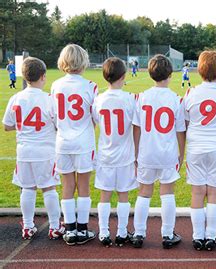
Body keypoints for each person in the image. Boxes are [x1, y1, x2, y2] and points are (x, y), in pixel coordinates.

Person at [2, 57, 64, 240]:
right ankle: (54, 226)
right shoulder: (49, 100)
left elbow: (7, 125)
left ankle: (28, 226)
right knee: (49, 189)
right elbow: (58, 124)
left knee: (27, 188)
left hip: (24, 151)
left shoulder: (16, 98)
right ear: (43, 76)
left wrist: (22, 126)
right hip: (45, 151)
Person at [131, 54, 186, 249]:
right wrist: (181, 153)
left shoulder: (142, 97)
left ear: (150, 73)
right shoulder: (176, 99)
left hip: (146, 152)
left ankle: (138, 233)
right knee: (167, 193)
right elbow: (180, 130)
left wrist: (136, 153)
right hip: (167, 153)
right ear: (170, 74)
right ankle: (167, 234)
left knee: (144, 193)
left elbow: (136, 128)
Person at [182, 51, 216, 251]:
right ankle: (211, 236)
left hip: (195, 147)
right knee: (214, 193)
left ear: (199, 70)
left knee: (197, 192)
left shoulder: (190, 93)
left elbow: (185, 123)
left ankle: (197, 236)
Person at [51, 44, 98, 246]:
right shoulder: (90, 85)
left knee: (68, 185)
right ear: (83, 61)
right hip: (84, 141)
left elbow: (53, 115)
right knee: (84, 185)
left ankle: (70, 229)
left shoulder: (55, 85)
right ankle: (82, 228)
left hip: (62, 141)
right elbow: (95, 116)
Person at [92, 57, 138, 247]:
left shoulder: (98, 100)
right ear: (123, 76)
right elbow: (136, 127)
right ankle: (121, 232)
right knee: (123, 194)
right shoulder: (130, 99)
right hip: (125, 154)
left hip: (105, 153)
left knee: (105, 195)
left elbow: (96, 122)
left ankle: (103, 232)